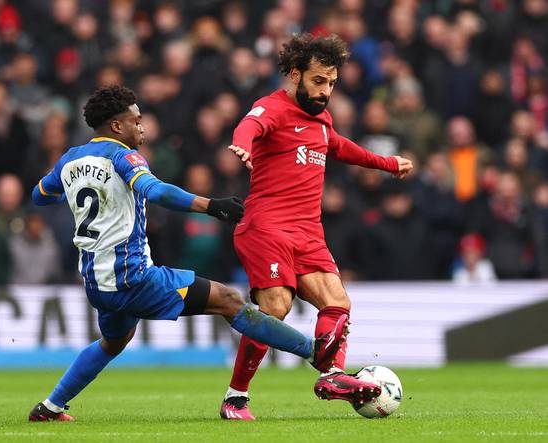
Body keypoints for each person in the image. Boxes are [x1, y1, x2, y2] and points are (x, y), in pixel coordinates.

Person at [27, 85, 363, 422]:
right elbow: (155, 190)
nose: (142, 128)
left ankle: (50, 407)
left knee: (113, 342)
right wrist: (210, 206)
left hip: (97, 282)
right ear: (117, 126)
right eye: (137, 121)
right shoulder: (123, 157)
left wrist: (76, 195)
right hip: (134, 277)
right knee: (229, 300)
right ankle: (316, 352)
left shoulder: (70, 158)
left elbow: (40, 195)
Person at [221, 33, 413, 420]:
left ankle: (332, 376)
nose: (326, 91)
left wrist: (387, 164)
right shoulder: (271, 108)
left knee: (338, 303)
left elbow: (341, 147)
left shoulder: (321, 121)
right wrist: (241, 143)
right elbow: (249, 125)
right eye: (318, 81)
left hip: (308, 232)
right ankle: (236, 397)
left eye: (331, 83)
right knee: (275, 306)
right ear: (295, 74)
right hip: (266, 227)